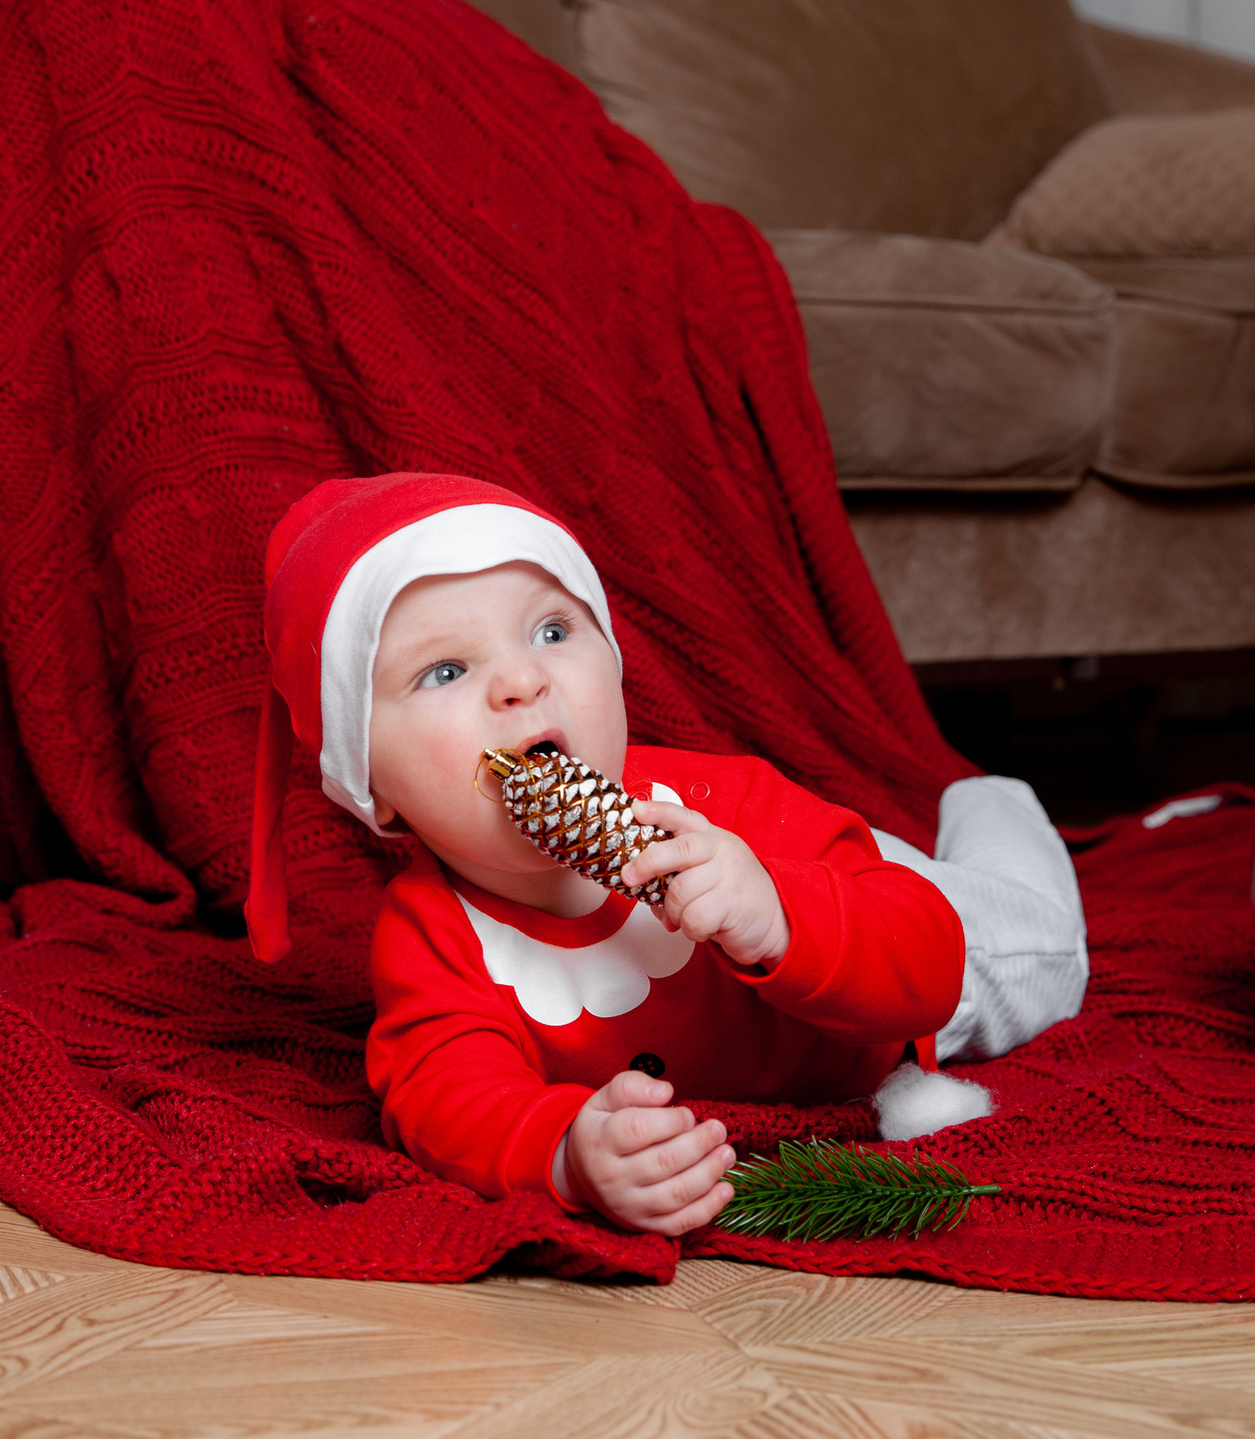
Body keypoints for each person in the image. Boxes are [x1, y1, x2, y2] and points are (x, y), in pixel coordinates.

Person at [245, 474, 1086, 1235]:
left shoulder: (728, 805)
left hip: (886, 938)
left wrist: (778, 913)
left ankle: (992, 799)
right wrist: (565, 1153)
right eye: (444, 671)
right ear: (372, 785)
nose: (521, 681)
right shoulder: (430, 937)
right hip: (835, 915)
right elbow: (447, 1099)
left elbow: (928, 957)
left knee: (1046, 950)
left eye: (552, 628)